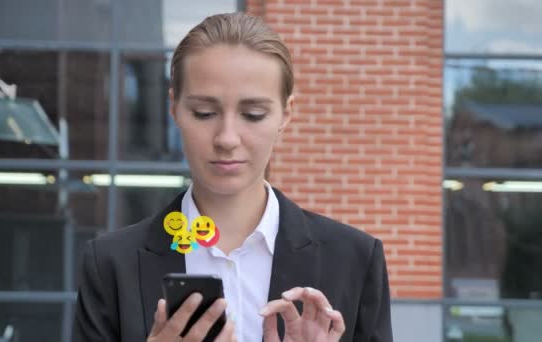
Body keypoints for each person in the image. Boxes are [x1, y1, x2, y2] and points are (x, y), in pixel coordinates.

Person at [72, 12, 392, 342]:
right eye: (204, 113)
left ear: (286, 114)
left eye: (253, 115)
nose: (227, 138)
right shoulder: (111, 265)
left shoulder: (353, 260)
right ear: (174, 109)